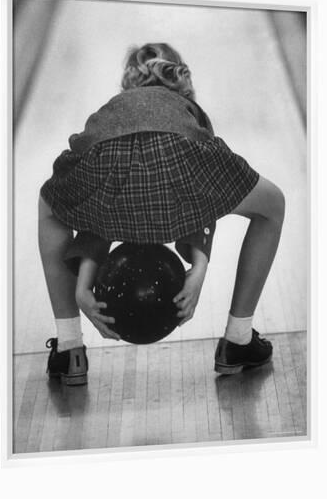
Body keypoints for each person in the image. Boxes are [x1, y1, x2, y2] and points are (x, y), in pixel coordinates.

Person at [38, 43, 285, 385]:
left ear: (129, 84)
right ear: (180, 79)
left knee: (50, 206)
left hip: (102, 162)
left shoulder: (112, 109)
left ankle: (69, 349)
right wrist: (199, 266)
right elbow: (202, 192)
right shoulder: (188, 109)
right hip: (180, 158)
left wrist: (84, 286)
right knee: (272, 207)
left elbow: (100, 205)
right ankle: (239, 340)